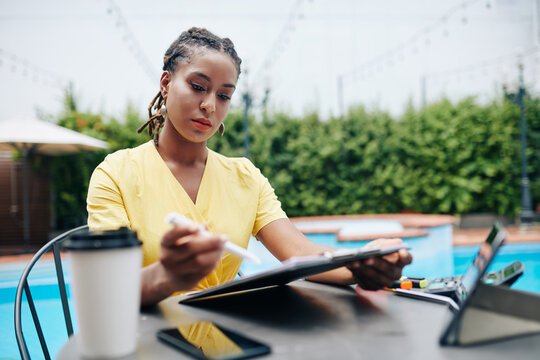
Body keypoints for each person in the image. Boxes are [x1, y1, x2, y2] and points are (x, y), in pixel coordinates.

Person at [87, 27, 412, 306]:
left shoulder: (245, 178)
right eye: (198, 87)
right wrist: (167, 274)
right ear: (166, 83)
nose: (209, 105)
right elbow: (107, 291)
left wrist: (361, 264)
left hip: (230, 337)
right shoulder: (116, 175)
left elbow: (299, 252)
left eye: (224, 95)